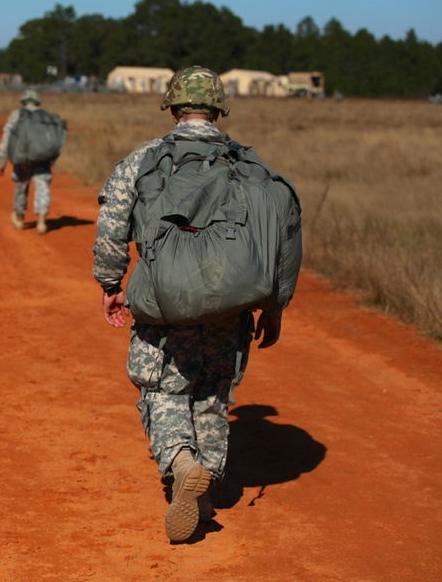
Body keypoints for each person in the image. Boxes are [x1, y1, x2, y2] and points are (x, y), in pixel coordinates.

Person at [92, 66, 303, 543]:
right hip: (233, 306)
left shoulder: (145, 159)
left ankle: (182, 464)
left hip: (164, 305)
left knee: (163, 389)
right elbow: (285, 235)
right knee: (212, 393)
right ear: (219, 108)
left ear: (172, 106)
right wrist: (274, 306)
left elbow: (111, 227)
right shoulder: (249, 165)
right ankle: (205, 493)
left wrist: (109, 283)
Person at [0, 89, 67, 234]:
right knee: (42, 187)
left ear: (23, 101)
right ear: (38, 101)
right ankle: (41, 222)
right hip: (42, 159)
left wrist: (1, 160)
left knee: (21, 187)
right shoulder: (46, 117)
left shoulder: (16, 115)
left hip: (22, 159)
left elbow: (6, 138)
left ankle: (20, 219)